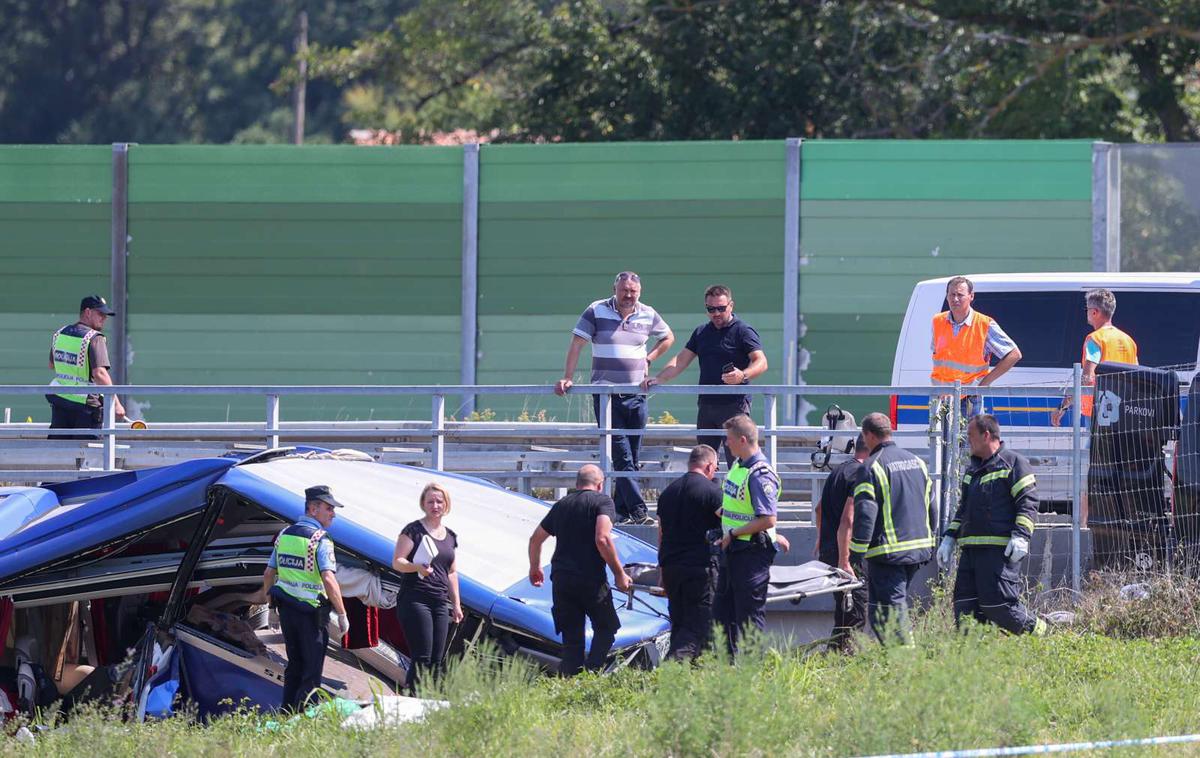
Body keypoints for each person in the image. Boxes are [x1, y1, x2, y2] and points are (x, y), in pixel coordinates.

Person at [556, 272, 674, 524]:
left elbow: (668, 337)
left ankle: (621, 511)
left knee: (632, 454)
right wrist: (568, 376)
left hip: (637, 394)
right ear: (615, 289)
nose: (628, 295)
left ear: (639, 291)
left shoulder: (647, 313)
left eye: (633, 291)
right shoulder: (596, 310)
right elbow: (577, 344)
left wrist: (649, 358)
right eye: (624, 290)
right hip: (607, 395)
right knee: (621, 455)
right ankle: (640, 511)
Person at [938, 415, 1047, 635]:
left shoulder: (1014, 463)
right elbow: (963, 508)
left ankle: (1043, 634)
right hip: (970, 551)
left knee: (999, 606)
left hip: (998, 551)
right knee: (965, 608)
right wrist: (949, 538)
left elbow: (1028, 502)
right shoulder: (973, 470)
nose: (967, 440)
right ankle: (974, 660)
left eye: (970, 435)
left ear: (986, 435)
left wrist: (1021, 536)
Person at [642, 285, 768, 468]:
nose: (716, 313)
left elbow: (761, 362)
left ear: (731, 306)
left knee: (739, 462)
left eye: (721, 308)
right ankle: (709, 496)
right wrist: (659, 378)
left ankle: (740, 496)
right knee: (704, 461)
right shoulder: (701, 332)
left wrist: (742, 375)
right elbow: (681, 360)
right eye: (711, 309)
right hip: (707, 405)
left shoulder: (743, 330)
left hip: (735, 406)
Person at [528, 464, 633, 676]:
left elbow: (535, 539)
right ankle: (591, 674)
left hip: (562, 579)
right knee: (606, 628)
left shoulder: (562, 504)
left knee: (571, 640)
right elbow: (602, 538)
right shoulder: (603, 501)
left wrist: (535, 567)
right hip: (590, 579)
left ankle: (569, 682)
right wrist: (620, 574)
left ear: (577, 484)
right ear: (600, 484)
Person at [255, 485, 349, 712]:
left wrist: (270, 608)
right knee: (312, 669)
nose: (333, 514)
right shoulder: (320, 539)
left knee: (294, 665)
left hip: (286, 610)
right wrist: (343, 614)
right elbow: (328, 579)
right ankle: (305, 718)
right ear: (313, 509)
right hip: (312, 614)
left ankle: (286, 712)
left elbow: (269, 574)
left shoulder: (284, 535)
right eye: (329, 508)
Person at [849, 413, 934, 645]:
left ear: (867, 435)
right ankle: (896, 657)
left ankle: (907, 665)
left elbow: (866, 514)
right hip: (918, 549)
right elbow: (931, 505)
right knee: (879, 613)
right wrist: (932, 541)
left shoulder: (870, 467)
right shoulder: (917, 462)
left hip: (888, 553)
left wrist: (855, 554)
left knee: (891, 611)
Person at [713, 414, 780, 655]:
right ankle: (728, 671)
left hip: (750, 553)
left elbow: (768, 518)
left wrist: (734, 532)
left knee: (749, 619)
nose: (726, 444)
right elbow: (740, 505)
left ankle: (752, 675)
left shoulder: (760, 473)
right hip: (734, 551)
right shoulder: (738, 465)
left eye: (729, 439)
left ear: (742, 440)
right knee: (722, 614)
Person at [392, 482, 463, 692]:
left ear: (446, 504)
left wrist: (456, 604)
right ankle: (413, 698)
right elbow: (397, 562)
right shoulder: (413, 531)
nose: (435, 505)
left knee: (436, 658)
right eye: (430, 501)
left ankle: (428, 701)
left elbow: (451, 572)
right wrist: (417, 568)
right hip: (415, 598)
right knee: (422, 655)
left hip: (440, 601)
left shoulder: (450, 536)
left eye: (439, 501)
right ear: (423, 504)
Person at [656, 444, 723, 660]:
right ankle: (671, 671)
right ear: (710, 466)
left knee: (680, 624)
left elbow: (662, 533)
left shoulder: (668, 492)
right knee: (698, 627)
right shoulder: (712, 492)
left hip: (671, 567)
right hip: (699, 567)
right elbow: (730, 523)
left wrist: (661, 570)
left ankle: (687, 684)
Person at [931, 276, 1021, 415]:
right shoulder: (938, 321)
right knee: (941, 437)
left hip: (969, 399)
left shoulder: (984, 324)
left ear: (971, 296)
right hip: (941, 398)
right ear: (947, 296)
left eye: (960, 295)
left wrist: (983, 384)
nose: (955, 299)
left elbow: (1014, 354)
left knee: (970, 437)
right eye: (952, 295)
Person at [813, 433, 870, 652]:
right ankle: (845, 660)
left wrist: (821, 538)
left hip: (831, 550)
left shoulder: (839, 470)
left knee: (844, 611)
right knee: (855, 612)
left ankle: (834, 658)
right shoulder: (860, 473)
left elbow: (819, 509)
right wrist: (845, 560)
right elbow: (850, 518)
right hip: (846, 556)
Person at [1051, 288, 1139, 427]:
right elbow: (1137, 377)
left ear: (1094, 312)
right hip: (1124, 411)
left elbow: (1087, 379)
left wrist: (1063, 406)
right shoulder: (1129, 341)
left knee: (1093, 448)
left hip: (1100, 411)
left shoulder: (1095, 339)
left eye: (1087, 309)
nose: (1086, 312)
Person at [45, 295, 126, 439]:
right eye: (100, 314)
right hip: (86, 407)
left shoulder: (60, 333)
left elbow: (52, 364)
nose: (104, 318)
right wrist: (116, 404)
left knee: (61, 453)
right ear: (88, 312)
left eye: (106, 315)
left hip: (61, 402)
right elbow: (99, 373)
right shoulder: (94, 338)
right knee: (88, 455)